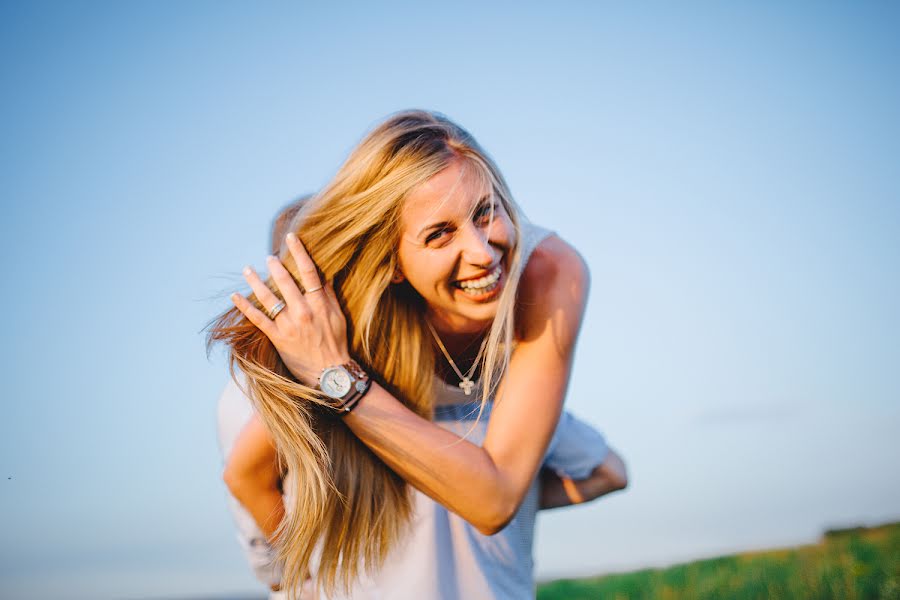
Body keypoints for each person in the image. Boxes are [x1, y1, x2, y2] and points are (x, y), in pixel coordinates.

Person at [208, 110, 628, 599]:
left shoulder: (549, 274)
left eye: (486, 211)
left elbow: (496, 501)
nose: (483, 252)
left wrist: (338, 378)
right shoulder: (357, 324)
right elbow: (246, 473)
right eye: (439, 234)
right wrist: (299, 584)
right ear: (392, 263)